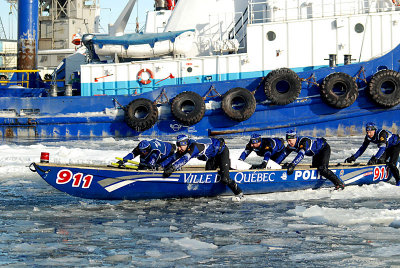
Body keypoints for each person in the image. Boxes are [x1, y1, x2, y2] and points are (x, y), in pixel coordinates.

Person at [163, 135, 244, 200]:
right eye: (178, 145)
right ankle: (212, 192)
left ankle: (239, 193)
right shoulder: (185, 148)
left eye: (180, 145)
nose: (179, 148)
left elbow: (185, 159)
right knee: (208, 176)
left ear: (186, 144)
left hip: (222, 152)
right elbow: (173, 157)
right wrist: (160, 165)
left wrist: (172, 168)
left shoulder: (194, 147)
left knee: (225, 179)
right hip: (212, 156)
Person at [275, 130, 345, 190]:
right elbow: (283, 155)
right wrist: (274, 164)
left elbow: (301, 155)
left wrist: (293, 165)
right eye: (287, 141)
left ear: (295, 138)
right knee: (314, 169)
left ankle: (339, 184)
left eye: (290, 140)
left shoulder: (304, 142)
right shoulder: (291, 145)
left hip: (324, 149)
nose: (289, 143)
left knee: (323, 169)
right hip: (316, 153)